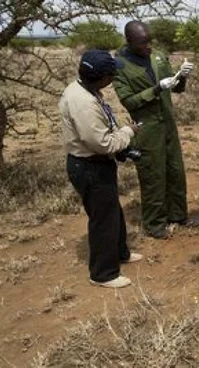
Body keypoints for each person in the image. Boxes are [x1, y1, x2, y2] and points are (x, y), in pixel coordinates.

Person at [59, 49, 143, 288]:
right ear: (102, 77)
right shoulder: (83, 102)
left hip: (96, 165)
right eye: (111, 74)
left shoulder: (85, 89)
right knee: (102, 219)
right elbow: (102, 143)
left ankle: (120, 253)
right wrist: (128, 132)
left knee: (111, 211)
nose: (113, 78)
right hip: (89, 166)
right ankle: (103, 273)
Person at [113, 20, 194, 239]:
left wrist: (182, 76)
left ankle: (177, 215)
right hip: (147, 128)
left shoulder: (157, 56)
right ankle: (155, 224)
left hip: (168, 123)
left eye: (149, 40)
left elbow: (177, 88)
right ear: (129, 41)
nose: (148, 46)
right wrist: (156, 89)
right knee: (153, 175)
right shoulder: (120, 65)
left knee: (175, 171)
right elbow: (128, 101)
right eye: (142, 43)